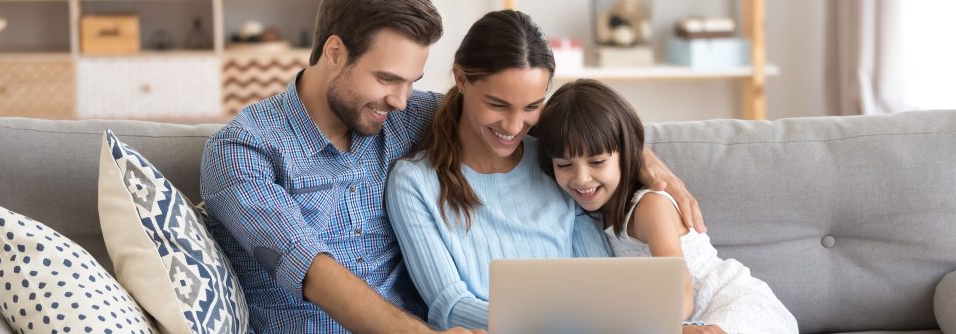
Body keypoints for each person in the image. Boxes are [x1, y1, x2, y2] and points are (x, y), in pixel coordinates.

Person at [201, 0, 702, 332]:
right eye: (387, 78)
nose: (401, 99)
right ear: (335, 52)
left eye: (412, 80)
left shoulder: (399, 114)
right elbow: (314, 273)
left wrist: (642, 159)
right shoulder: (243, 152)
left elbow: (518, 113)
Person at [385, 10, 712, 332]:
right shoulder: (415, 183)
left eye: (531, 107)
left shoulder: (557, 163)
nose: (513, 127)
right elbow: (451, 306)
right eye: (497, 104)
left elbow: (601, 280)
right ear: (460, 78)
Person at [534, 79, 799, 334]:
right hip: (689, 321)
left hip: (733, 303)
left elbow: (680, 293)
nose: (581, 178)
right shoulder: (592, 215)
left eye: (597, 162)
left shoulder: (650, 206)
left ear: (627, 155)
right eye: (564, 165)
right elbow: (525, 123)